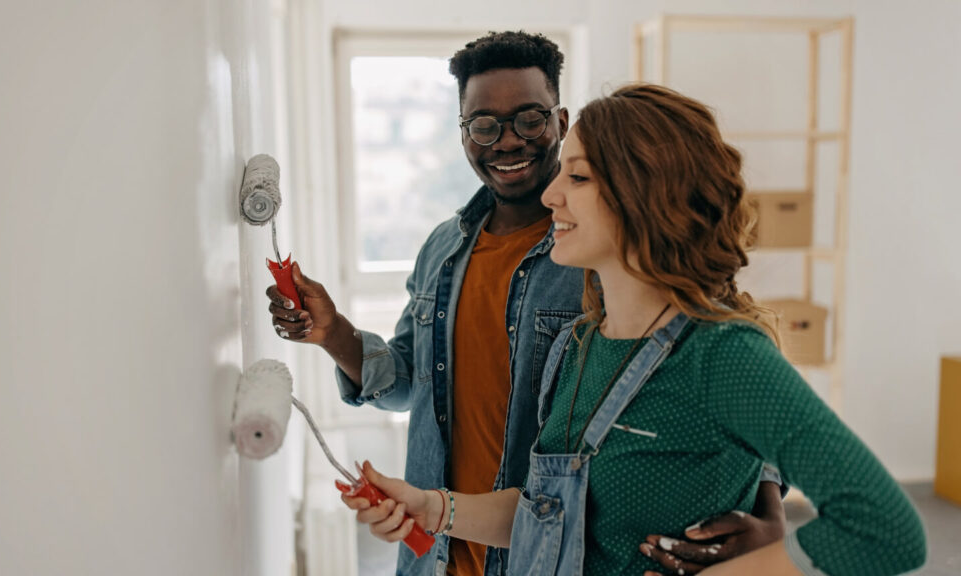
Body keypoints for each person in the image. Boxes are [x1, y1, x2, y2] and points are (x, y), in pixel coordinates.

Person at [339, 83, 928, 576]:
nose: (550, 195)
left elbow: (886, 530)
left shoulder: (720, 354)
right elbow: (551, 512)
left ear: (644, 194)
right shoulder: (578, 346)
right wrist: (433, 508)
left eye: (579, 178)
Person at [269, 33, 784, 576]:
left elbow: (722, 367)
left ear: (560, 121)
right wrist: (335, 334)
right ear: (464, 133)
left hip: (552, 555)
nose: (508, 141)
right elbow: (408, 384)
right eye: (485, 125)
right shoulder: (442, 250)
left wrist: (769, 512)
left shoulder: (602, 251)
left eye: (530, 120)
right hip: (437, 549)